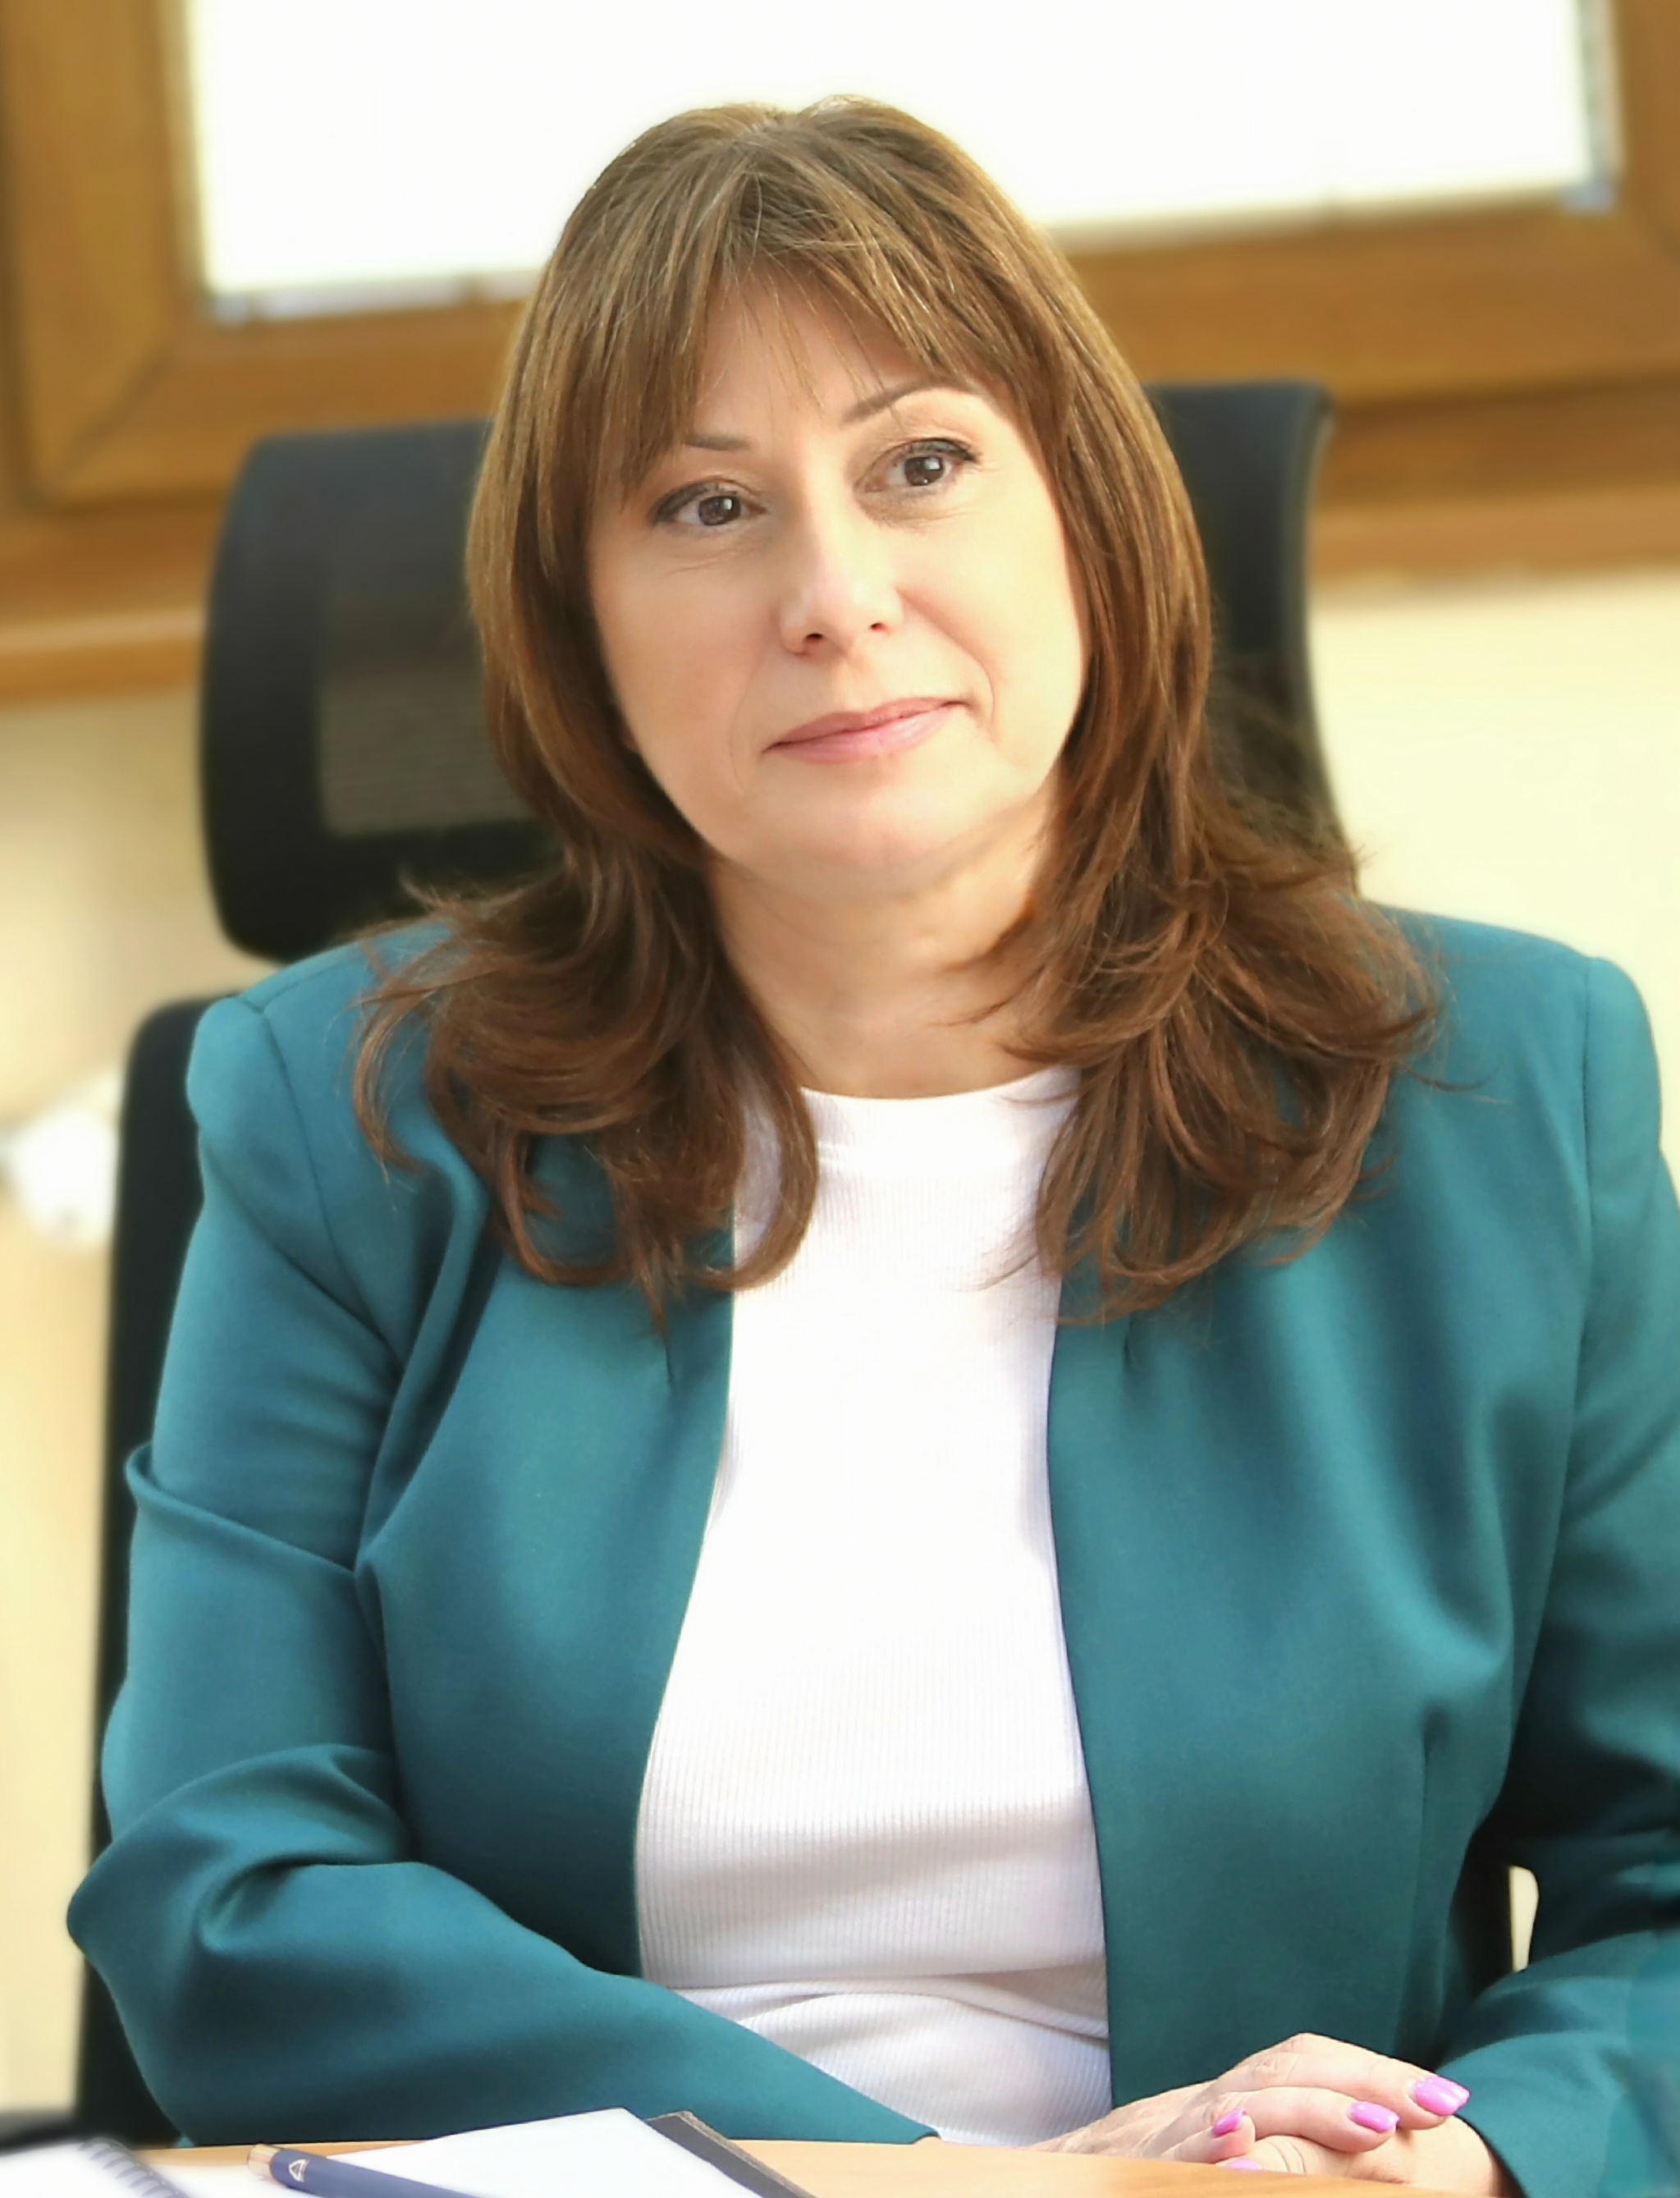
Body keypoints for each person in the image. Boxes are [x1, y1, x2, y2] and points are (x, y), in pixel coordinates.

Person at [69, 98, 1678, 2197]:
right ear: (579, 632)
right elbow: (229, 1890)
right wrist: (990, 2187)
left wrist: (1454, 2165)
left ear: (1087, 511)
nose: (833, 595)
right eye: (706, 504)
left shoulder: (1502, 1090)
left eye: (919, 464)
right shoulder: (353, 1113)